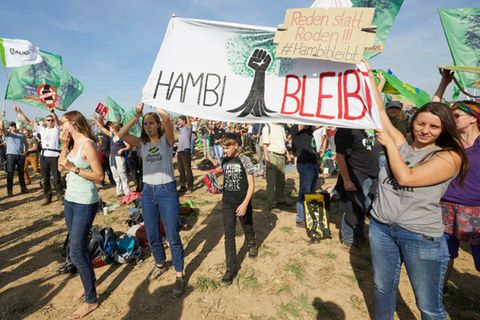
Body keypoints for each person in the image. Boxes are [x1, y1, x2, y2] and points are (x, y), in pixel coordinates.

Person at [367, 63, 467, 320]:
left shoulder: (449, 156)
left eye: (434, 127)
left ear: (444, 130)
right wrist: (366, 73)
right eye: (421, 124)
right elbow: (379, 111)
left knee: (428, 306)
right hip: (381, 228)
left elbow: (406, 176)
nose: (425, 130)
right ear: (412, 124)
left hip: (420, 236)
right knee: (382, 289)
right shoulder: (404, 144)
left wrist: (389, 144)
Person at [117, 103, 185, 297]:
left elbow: (169, 122)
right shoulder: (141, 144)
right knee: (152, 234)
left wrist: (162, 107)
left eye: (151, 123)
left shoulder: (166, 141)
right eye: (145, 124)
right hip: (148, 192)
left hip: (166, 191)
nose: (148, 126)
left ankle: (179, 275)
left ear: (158, 125)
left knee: (172, 235)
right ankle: (160, 263)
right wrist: (136, 115)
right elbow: (121, 133)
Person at [432, 70, 480, 287]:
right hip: (445, 205)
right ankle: (439, 291)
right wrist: (444, 82)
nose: (452, 118)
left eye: (457, 115)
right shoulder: (450, 141)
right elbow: (432, 110)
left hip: (476, 210)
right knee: (444, 256)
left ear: (473, 118)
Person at [58, 110, 104, 319]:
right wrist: (63, 146)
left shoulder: (87, 144)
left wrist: (74, 169)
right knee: (78, 247)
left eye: (63, 124)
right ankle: (89, 284)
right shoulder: (69, 143)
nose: (60, 127)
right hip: (70, 200)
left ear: (74, 124)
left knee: (76, 252)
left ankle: (91, 300)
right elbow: (61, 168)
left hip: (86, 202)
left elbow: (100, 177)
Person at [219, 132, 257, 286]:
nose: (225, 151)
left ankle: (252, 243)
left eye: (227, 147)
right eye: (223, 148)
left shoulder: (245, 160)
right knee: (229, 234)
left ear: (235, 145)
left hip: (243, 202)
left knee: (247, 226)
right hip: (227, 202)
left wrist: (245, 204)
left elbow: (252, 185)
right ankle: (230, 268)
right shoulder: (224, 160)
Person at [335, 126, 380, 248]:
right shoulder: (346, 129)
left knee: (364, 208)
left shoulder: (373, 128)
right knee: (352, 207)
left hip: (373, 175)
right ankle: (348, 239)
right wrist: (347, 180)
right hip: (357, 175)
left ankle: (359, 236)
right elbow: (340, 157)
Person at [15, 105, 63, 204]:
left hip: (54, 156)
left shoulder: (56, 129)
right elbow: (28, 122)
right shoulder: (42, 129)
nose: (50, 121)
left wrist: (53, 112)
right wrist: (20, 112)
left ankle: (60, 196)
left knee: (56, 177)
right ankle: (47, 197)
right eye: (48, 120)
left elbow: (58, 121)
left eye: (51, 120)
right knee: (45, 178)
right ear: (45, 121)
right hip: (44, 156)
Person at [291, 125, 320, 228]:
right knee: (304, 191)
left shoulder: (308, 130)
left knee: (311, 191)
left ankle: (309, 215)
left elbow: (317, 125)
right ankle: (300, 218)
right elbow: (304, 124)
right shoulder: (295, 128)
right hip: (305, 163)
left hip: (313, 163)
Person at [94, 118, 131, 197]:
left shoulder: (122, 137)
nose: (109, 128)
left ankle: (127, 192)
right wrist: (96, 119)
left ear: (115, 128)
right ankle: (119, 191)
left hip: (120, 158)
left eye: (110, 127)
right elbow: (102, 128)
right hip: (112, 157)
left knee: (122, 174)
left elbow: (129, 146)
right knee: (115, 174)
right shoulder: (111, 136)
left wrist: (122, 149)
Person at [261, 122, 291, 211]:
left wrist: (287, 154)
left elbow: (283, 143)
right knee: (271, 181)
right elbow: (265, 146)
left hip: (281, 156)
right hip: (272, 155)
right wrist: (267, 160)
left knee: (281, 180)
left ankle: (279, 199)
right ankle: (271, 203)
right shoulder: (267, 127)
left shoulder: (281, 127)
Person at [0, 119, 28, 196]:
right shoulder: (7, 134)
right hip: (10, 156)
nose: (13, 126)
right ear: (9, 127)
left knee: (21, 172)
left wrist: (26, 151)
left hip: (20, 156)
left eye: (14, 125)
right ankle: (9, 191)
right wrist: (2, 119)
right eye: (11, 125)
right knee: (10, 173)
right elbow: (2, 127)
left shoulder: (21, 135)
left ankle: (23, 188)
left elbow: (26, 144)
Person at [176, 115, 194, 193]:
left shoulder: (188, 128)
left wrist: (187, 115)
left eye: (180, 120)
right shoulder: (181, 129)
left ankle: (190, 187)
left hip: (186, 151)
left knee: (187, 169)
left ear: (184, 121)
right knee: (181, 170)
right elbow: (180, 141)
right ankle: (183, 186)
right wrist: (177, 151)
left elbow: (189, 124)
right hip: (180, 151)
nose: (178, 122)